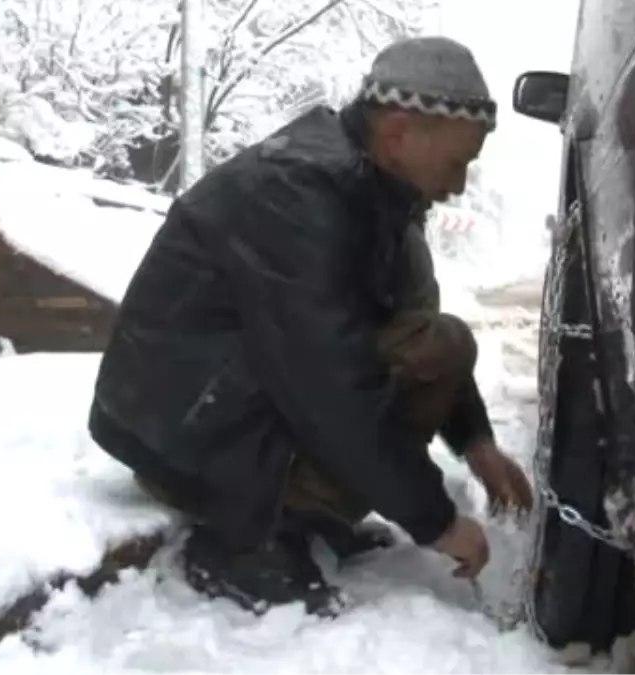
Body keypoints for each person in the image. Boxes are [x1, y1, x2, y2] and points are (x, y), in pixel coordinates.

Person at [87, 36, 534, 618]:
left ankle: (306, 517)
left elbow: (414, 338)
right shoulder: (297, 191)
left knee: (443, 345)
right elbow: (332, 384)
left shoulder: (378, 199)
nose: (457, 185)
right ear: (398, 134)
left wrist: (474, 441)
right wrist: (436, 521)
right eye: (456, 164)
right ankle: (244, 544)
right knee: (352, 381)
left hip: (236, 407)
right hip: (177, 433)